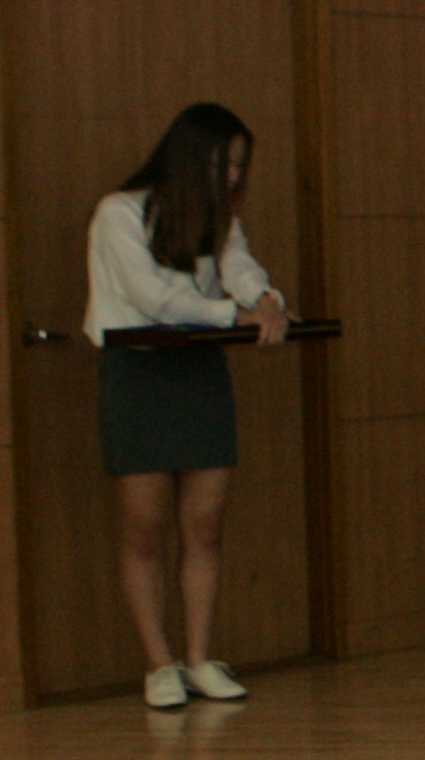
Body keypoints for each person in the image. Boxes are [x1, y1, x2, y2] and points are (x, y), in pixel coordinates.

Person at [86, 103, 290, 711]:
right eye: (224, 163)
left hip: (198, 368)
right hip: (138, 370)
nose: (233, 176)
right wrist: (235, 314)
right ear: (189, 156)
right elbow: (153, 297)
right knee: (145, 528)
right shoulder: (119, 213)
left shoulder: (218, 218)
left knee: (205, 524)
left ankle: (200, 658)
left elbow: (240, 267)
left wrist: (267, 299)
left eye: (240, 166)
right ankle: (160, 664)